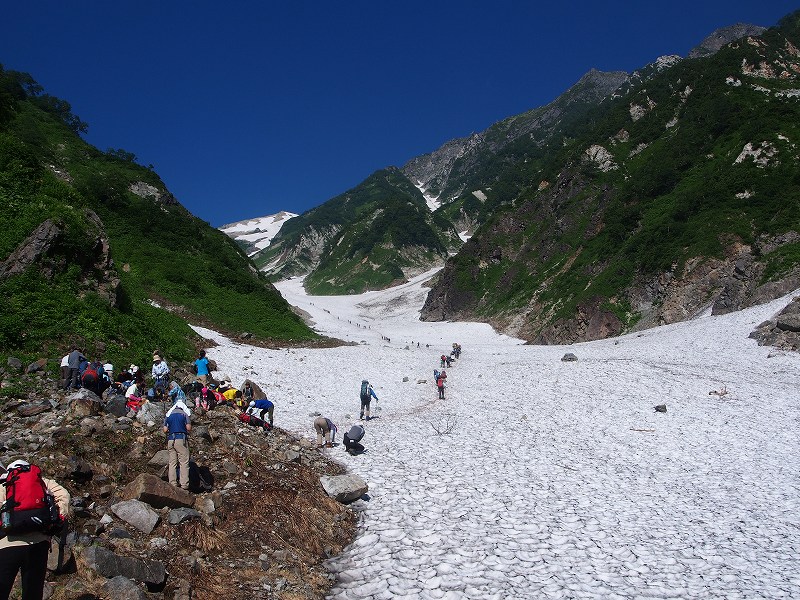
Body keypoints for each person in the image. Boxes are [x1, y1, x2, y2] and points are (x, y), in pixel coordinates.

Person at [0, 460, 70, 600]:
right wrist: (57, 518)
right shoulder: (42, 482)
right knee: (33, 593)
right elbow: (65, 495)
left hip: (8, 544)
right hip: (39, 544)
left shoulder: (5, 484)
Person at [163, 400, 191, 490]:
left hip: (171, 440)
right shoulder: (184, 414)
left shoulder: (169, 415)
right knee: (184, 462)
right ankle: (184, 485)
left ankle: (172, 483)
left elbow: (164, 429)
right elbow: (188, 428)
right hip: (180, 439)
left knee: (172, 463)